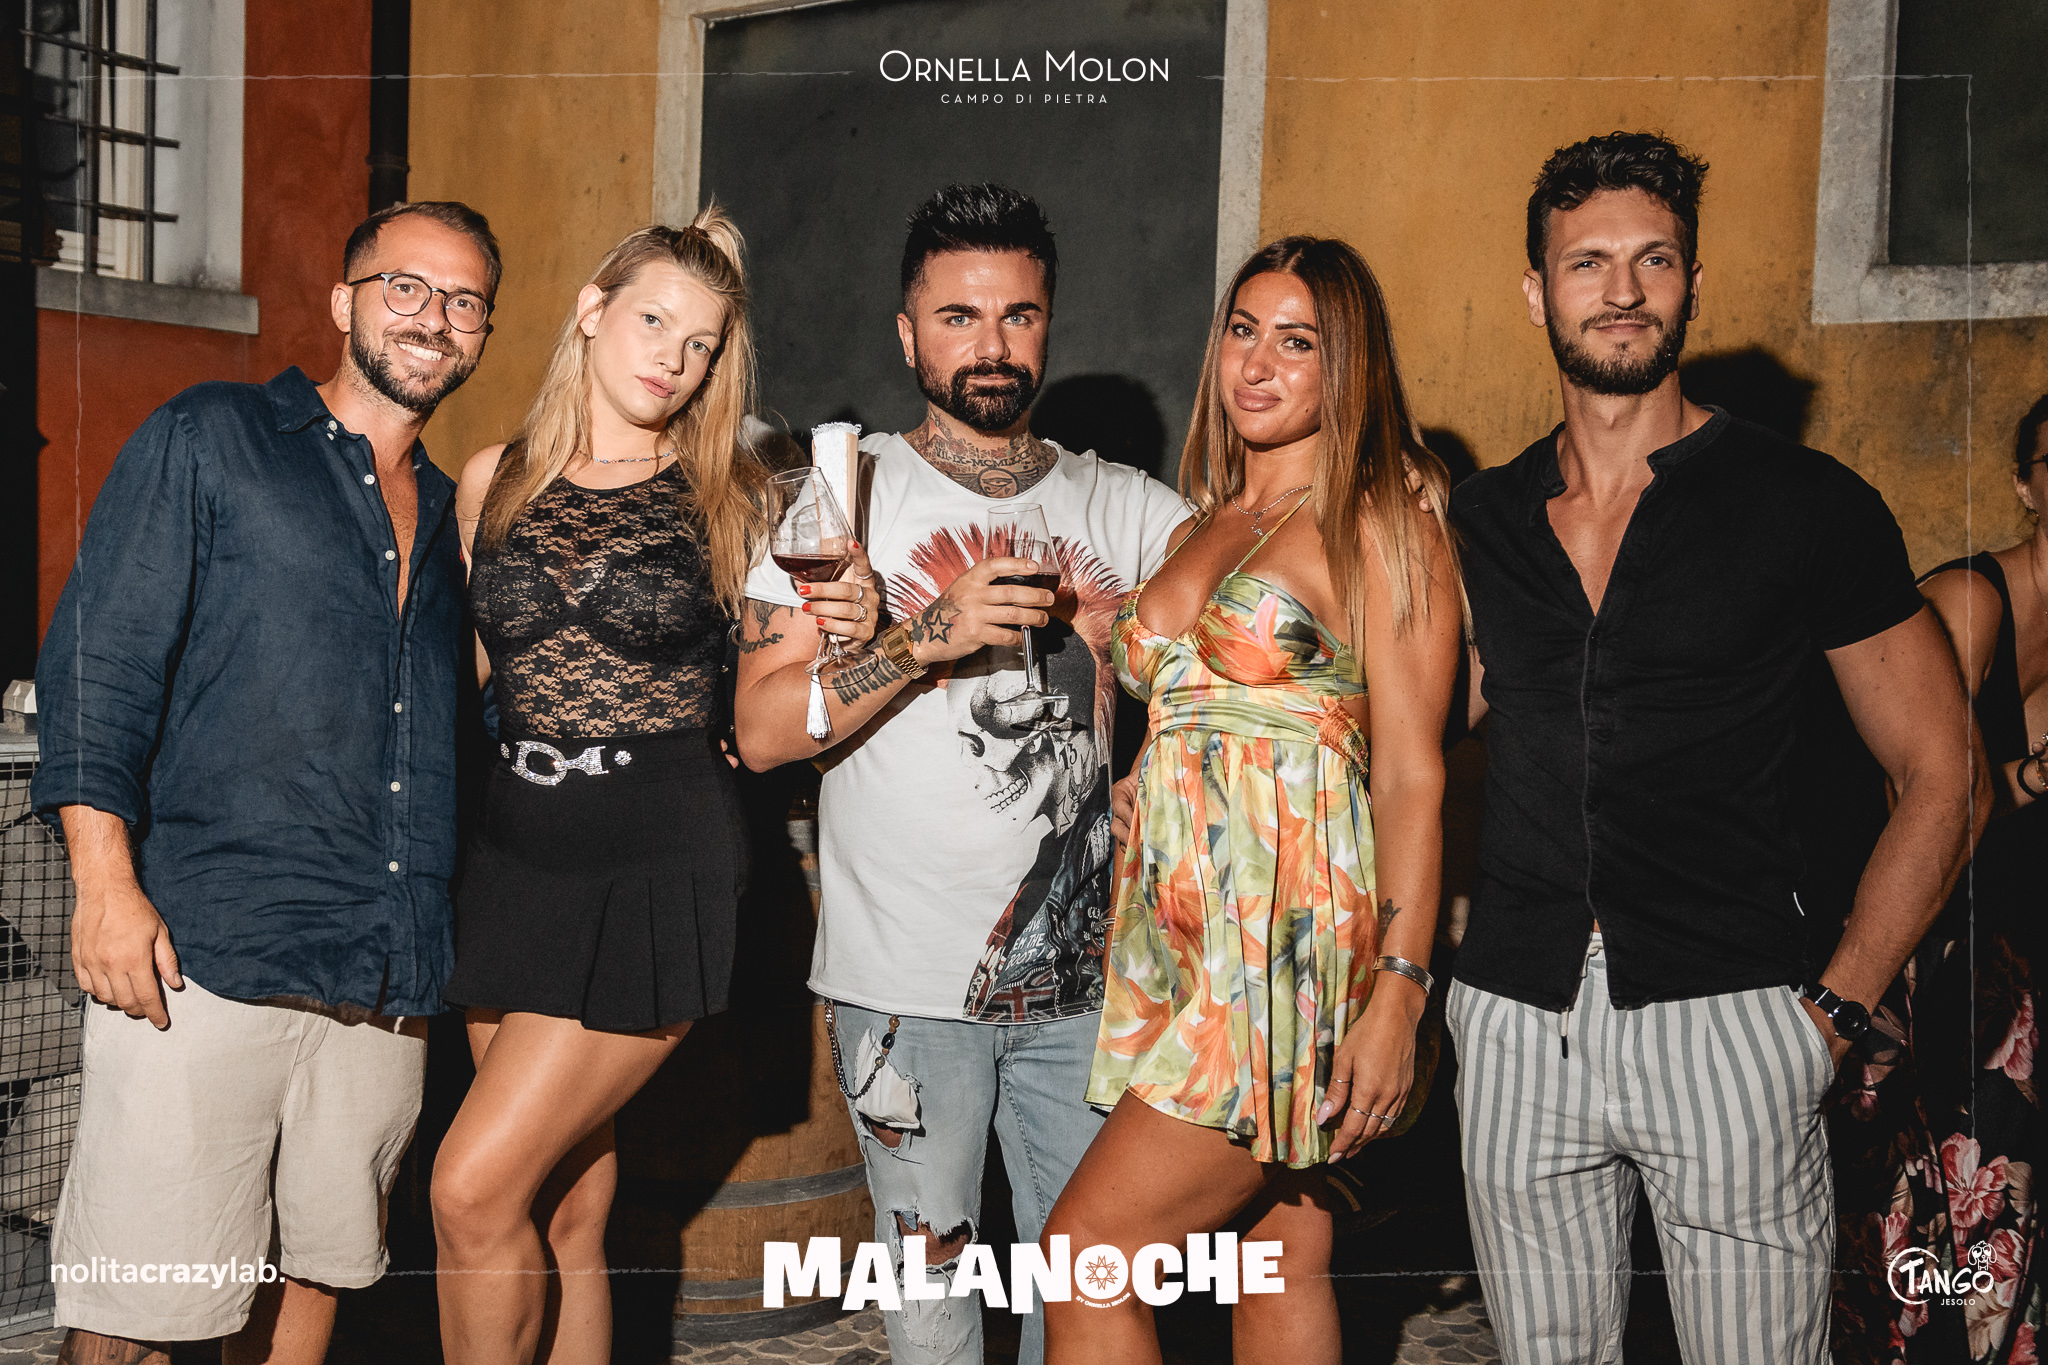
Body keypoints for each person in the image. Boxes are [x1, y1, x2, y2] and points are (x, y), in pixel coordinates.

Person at [1445, 130, 1987, 1363]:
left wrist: (1830, 1013)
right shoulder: (1480, 521)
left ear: (1691, 280)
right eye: (1585, 263)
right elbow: (1407, 735)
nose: (1620, 291)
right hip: (1516, 1019)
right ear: (1535, 291)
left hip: (1733, 1019)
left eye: (1652, 260)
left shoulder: (1804, 504)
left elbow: (1943, 775)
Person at [30, 200, 498, 1365]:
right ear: (343, 302)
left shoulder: (455, 519)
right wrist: (104, 883)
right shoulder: (213, 436)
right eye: (405, 287)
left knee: (316, 1278)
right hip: (205, 960)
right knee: (140, 1309)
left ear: (484, 333)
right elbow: (100, 661)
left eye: (463, 301)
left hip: (380, 977)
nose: (432, 318)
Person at [733, 182, 1189, 1365]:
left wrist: (1154, 767)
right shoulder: (839, 497)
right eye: (957, 317)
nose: (991, 344)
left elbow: (1261, 626)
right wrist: (922, 639)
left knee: (1087, 1298)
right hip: (902, 985)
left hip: (1085, 986)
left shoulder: (1124, 505)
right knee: (933, 1315)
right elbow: (764, 731)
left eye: (1016, 315)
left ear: (1048, 323)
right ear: (907, 336)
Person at [425, 211, 872, 1365]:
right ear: (591, 310)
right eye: (654, 321)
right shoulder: (492, 481)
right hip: (512, 855)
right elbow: (465, 682)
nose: (673, 357)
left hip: (653, 858)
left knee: (468, 1191)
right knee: (564, 1206)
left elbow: (782, 692)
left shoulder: (739, 498)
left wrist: (857, 621)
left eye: (701, 344)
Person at [1040, 236, 1462, 1364]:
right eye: (1242, 331)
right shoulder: (1201, 521)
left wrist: (1400, 993)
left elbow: (1412, 773)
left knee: (1084, 1260)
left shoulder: (1383, 521)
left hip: (1287, 946)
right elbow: (1203, 718)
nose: (1258, 363)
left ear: (1347, 365)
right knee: (1278, 1259)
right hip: (1179, 936)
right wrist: (1147, 787)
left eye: (1297, 341)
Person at [1863, 394, 2048, 1363]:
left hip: (2020, 934)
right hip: (1934, 935)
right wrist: (2037, 774)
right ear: (2024, 484)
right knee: (1951, 1206)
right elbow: (1909, 794)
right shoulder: (1972, 602)